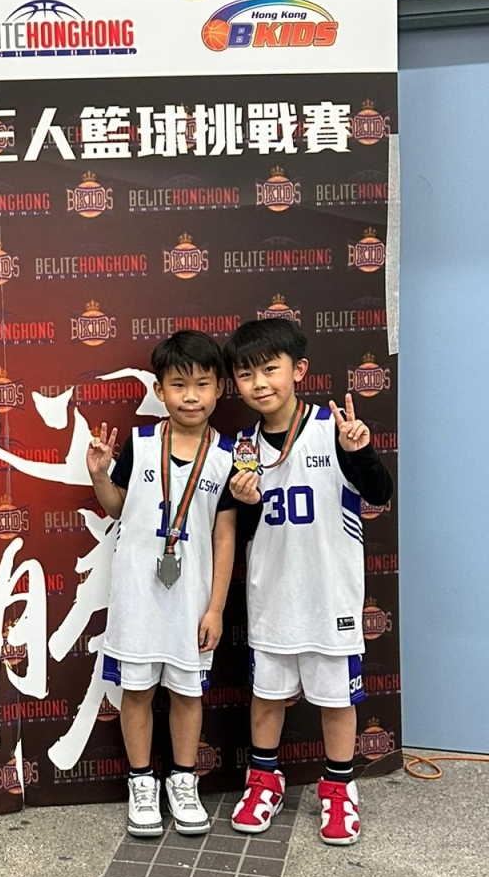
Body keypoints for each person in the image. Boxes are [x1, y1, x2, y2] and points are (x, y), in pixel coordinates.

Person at [225, 319, 393, 846]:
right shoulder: (243, 447)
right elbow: (243, 530)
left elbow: (380, 493)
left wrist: (360, 452)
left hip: (329, 596)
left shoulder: (331, 428)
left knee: (337, 699)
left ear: (298, 370)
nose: (259, 383)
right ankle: (264, 780)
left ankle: (339, 787)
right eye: (246, 374)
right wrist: (246, 503)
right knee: (267, 696)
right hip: (272, 596)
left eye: (269, 369)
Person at [87, 331, 237, 838]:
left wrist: (215, 608)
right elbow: (117, 506)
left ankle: (183, 780)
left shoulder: (228, 456)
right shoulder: (142, 443)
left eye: (202, 384)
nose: (190, 396)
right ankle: (141, 782)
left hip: (192, 601)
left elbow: (224, 536)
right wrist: (100, 476)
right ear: (159, 389)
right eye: (178, 385)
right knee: (137, 691)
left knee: (188, 695)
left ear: (219, 388)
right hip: (138, 596)